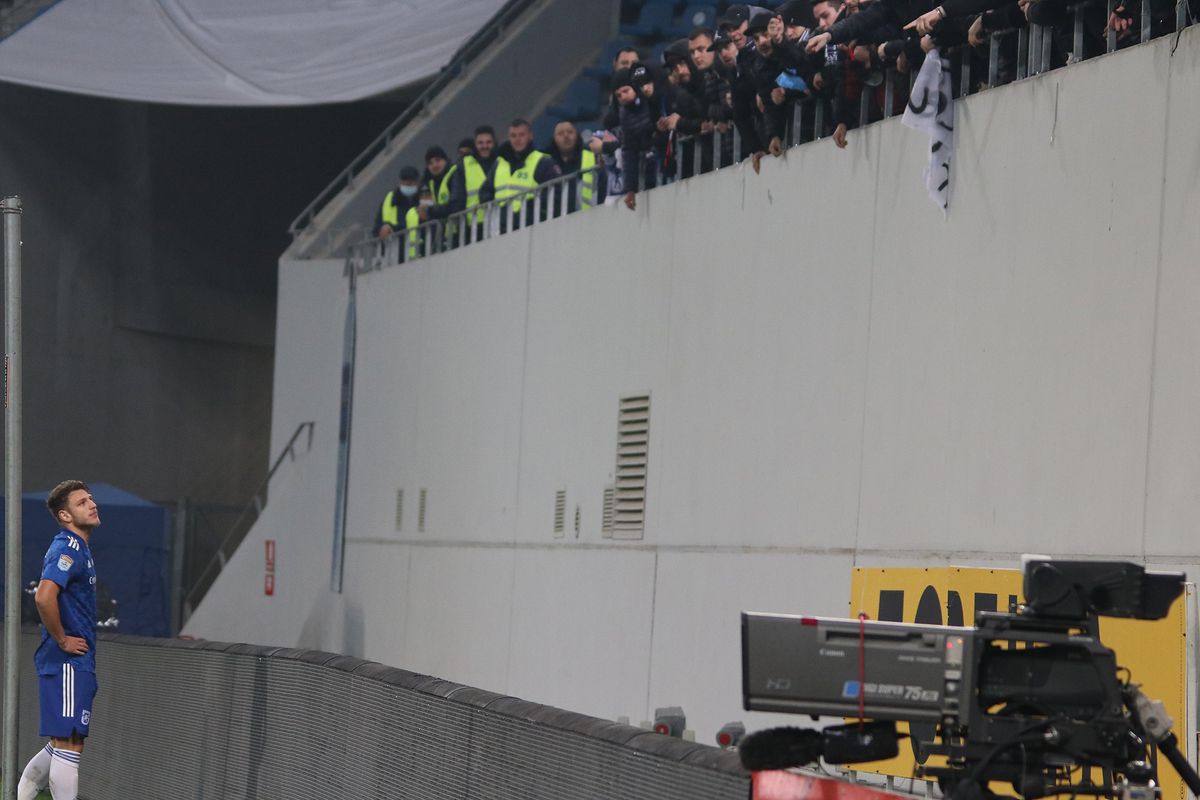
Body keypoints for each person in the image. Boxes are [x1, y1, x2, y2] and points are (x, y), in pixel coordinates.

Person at [16, 480, 102, 800]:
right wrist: (63, 639)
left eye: (91, 499)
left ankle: (25, 790)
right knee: (69, 743)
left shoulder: (80, 549)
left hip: (76, 662)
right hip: (67, 661)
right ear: (65, 515)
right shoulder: (68, 547)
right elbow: (44, 597)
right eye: (82, 502)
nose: (92, 504)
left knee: (65, 741)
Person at [480, 118, 560, 231]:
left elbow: (553, 193)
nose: (517, 139)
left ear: (530, 136)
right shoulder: (499, 163)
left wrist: (529, 212)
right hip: (499, 228)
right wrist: (496, 213)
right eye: (513, 136)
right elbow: (485, 191)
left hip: (530, 227)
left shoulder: (542, 161)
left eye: (521, 135)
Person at [546, 120, 605, 213]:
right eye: (560, 133)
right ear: (554, 139)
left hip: (593, 215)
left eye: (570, 132)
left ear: (577, 135)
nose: (566, 136)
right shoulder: (547, 165)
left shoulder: (592, 157)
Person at [374, 166, 421, 240]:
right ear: (400, 182)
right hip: (393, 248)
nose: (408, 184)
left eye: (411, 182)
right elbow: (376, 230)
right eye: (405, 182)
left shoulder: (424, 198)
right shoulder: (389, 200)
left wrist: (393, 228)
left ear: (417, 183)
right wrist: (384, 229)